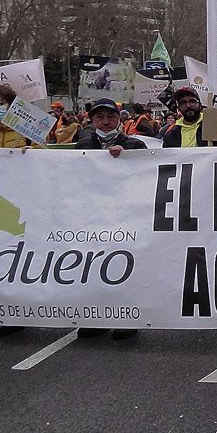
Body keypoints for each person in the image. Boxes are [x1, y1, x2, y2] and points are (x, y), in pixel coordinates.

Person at [69, 98, 146, 340]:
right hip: (93, 215)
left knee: (125, 265)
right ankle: (97, 318)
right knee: (94, 265)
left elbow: (149, 170)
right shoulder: (82, 145)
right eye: (100, 118)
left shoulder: (134, 143)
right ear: (92, 121)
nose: (105, 122)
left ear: (119, 119)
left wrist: (128, 155)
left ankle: (128, 317)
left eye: (110, 117)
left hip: (127, 215)